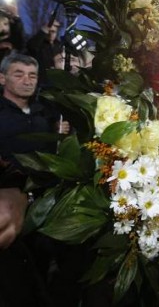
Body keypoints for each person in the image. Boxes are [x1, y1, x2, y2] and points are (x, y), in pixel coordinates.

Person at [0, 53, 70, 306]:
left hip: (51, 203)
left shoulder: (47, 113)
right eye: (18, 74)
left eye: (32, 75)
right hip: (11, 206)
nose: (27, 81)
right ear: (2, 77)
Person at [26, 20, 64, 87]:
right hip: (42, 81)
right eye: (48, 31)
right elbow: (31, 46)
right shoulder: (39, 44)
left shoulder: (60, 45)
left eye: (53, 32)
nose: (50, 34)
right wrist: (44, 30)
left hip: (57, 81)